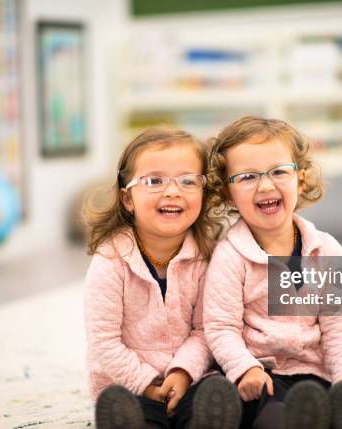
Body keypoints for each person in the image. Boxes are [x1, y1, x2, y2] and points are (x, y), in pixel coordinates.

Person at [203, 116, 342, 429]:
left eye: (278, 172)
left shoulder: (326, 251)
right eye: (247, 177)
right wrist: (245, 368)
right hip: (261, 374)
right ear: (229, 193)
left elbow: (340, 328)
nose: (265, 185)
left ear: (300, 178)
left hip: (315, 375)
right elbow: (220, 328)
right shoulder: (230, 255)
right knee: (264, 414)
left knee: (333, 405)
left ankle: (330, 414)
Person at [83, 126, 240, 429]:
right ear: (128, 199)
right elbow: (103, 341)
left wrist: (182, 373)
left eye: (187, 180)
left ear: (203, 193)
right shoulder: (111, 259)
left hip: (191, 379)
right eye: (154, 181)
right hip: (129, 383)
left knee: (212, 398)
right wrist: (144, 383)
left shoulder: (209, 258)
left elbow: (206, 329)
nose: (172, 191)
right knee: (133, 413)